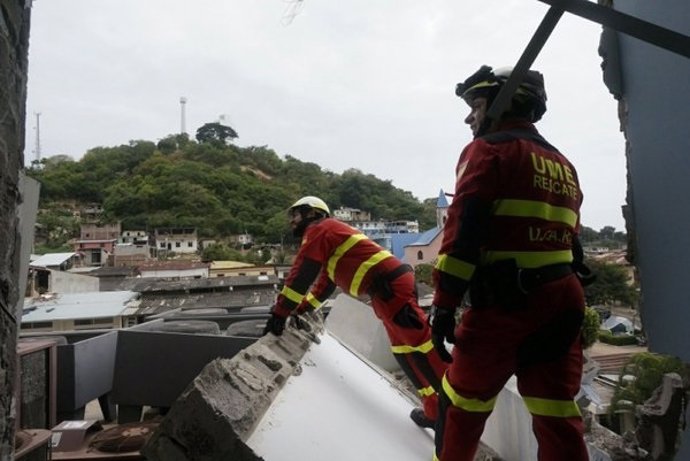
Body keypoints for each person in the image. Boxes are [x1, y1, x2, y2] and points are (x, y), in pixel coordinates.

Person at [428, 65, 590, 460]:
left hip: (505, 305)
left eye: (477, 105)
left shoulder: (488, 150)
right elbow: (573, 243)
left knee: (461, 404)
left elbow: (463, 235)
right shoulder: (563, 165)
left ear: (503, 104)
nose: (469, 117)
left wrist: (444, 306)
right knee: (556, 412)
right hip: (562, 304)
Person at [263, 196, 448, 428]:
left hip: (390, 288)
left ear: (313, 213)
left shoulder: (320, 229)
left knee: (421, 346)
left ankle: (454, 406)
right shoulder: (330, 244)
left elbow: (302, 274)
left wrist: (280, 313)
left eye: (296, 214)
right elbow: (323, 287)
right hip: (384, 294)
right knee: (404, 353)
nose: (292, 221)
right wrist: (299, 310)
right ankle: (433, 411)